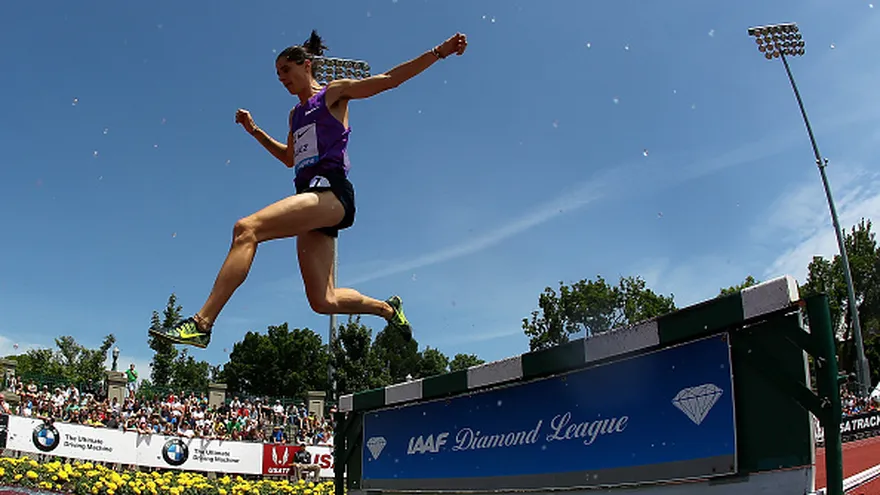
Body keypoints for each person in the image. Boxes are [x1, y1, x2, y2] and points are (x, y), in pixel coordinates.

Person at [150, 30, 468, 349]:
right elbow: (289, 159)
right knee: (323, 300)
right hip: (310, 200)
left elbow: (388, 79)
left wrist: (438, 52)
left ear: (307, 66)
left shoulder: (333, 93)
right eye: (278, 75)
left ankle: (202, 322)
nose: (282, 79)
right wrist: (254, 131)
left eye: (286, 70)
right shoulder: (295, 115)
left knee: (246, 229)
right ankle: (387, 309)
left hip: (332, 194)